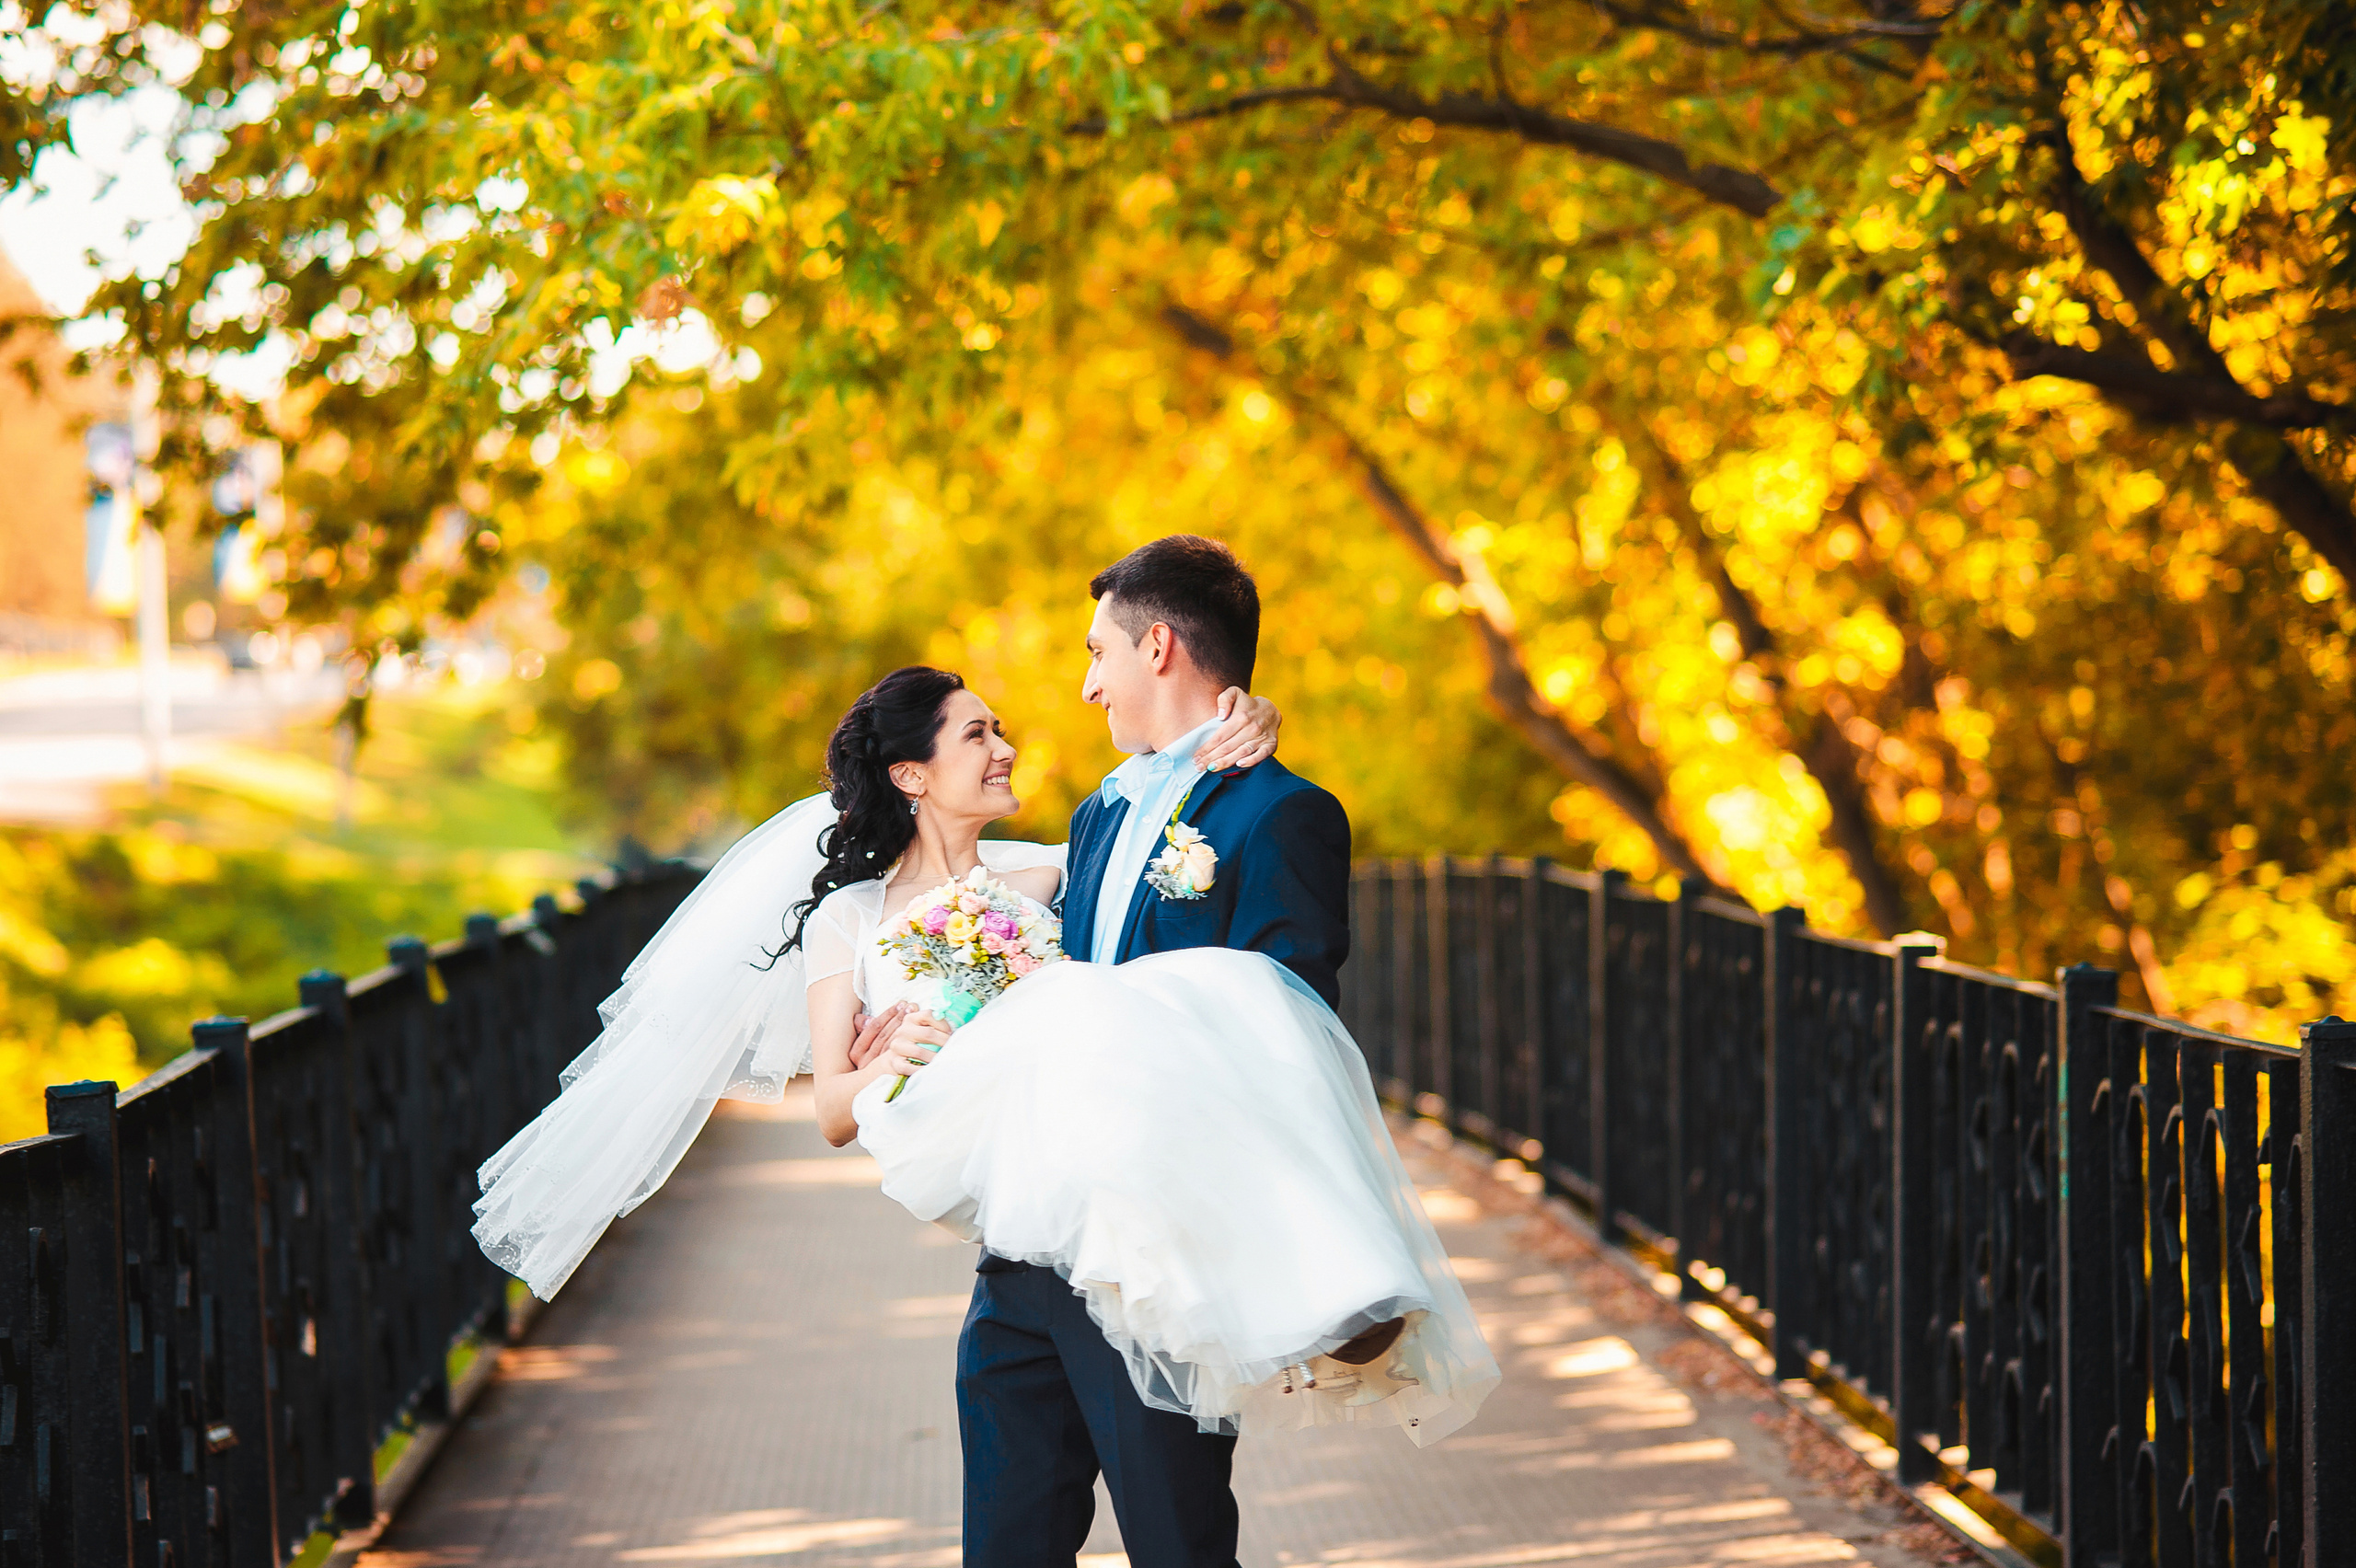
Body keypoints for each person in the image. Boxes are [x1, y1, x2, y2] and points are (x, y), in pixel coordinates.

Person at [803, 539, 1496, 1568]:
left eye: (1099, 653)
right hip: (1023, 1252)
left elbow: (1290, 1037)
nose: (1086, 685)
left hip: (1152, 1262)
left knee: (1174, 1542)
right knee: (1004, 1541)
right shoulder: (1093, 817)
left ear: (1158, 646)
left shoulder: (1282, 813)